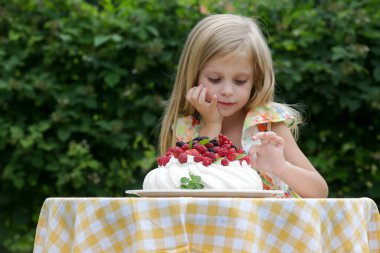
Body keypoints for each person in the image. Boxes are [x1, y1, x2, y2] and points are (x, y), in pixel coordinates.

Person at [159, 14, 328, 198]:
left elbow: (319, 192)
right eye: (215, 79)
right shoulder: (186, 130)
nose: (227, 90)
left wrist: (281, 167)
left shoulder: (267, 124)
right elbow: (190, 186)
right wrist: (212, 123)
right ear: (194, 74)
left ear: (255, 80)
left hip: (268, 225)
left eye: (240, 81)